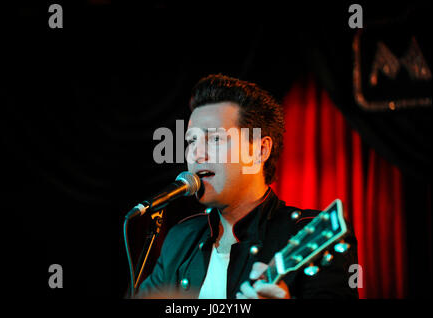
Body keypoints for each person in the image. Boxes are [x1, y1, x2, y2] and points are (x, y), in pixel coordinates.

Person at [135, 74, 358, 299]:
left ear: (259, 151)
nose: (196, 153)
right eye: (191, 140)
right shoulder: (181, 238)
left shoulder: (311, 233)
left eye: (214, 139)